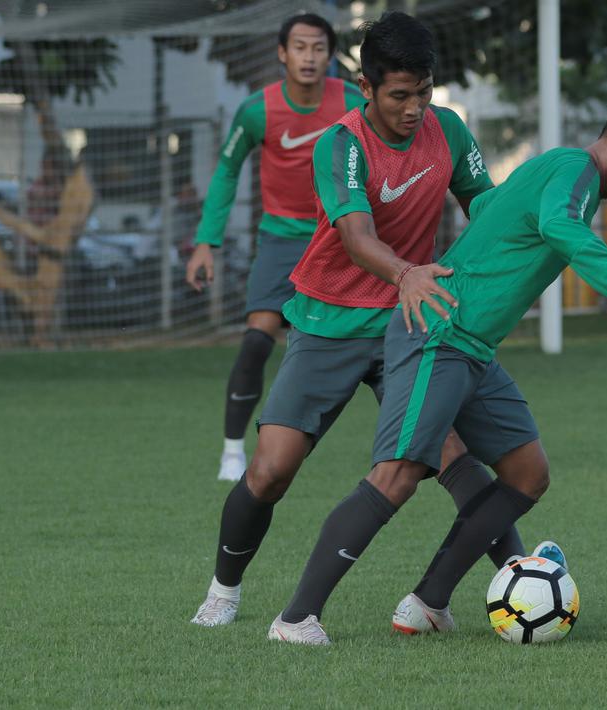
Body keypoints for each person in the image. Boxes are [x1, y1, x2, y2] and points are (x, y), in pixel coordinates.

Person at [268, 88, 607, 645]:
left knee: (528, 473)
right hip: (438, 334)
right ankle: (296, 618)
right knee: (398, 475)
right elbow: (562, 230)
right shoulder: (574, 171)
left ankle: (428, 602)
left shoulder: (567, 174)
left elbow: (504, 214)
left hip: (472, 347)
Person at [190, 10, 528, 631]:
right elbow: (356, 236)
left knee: (451, 454)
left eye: (424, 92)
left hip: (410, 321)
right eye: (400, 95)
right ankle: (223, 591)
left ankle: (523, 582)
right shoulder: (341, 144)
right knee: (269, 471)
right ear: (366, 87)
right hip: (330, 322)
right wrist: (407, 273)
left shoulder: (449, 131)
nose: (414, 108)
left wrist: (526, 229)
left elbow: (484, 206)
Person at [185, 13, 366, 482]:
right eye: (300, 47)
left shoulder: (353, 102)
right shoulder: (256, 110)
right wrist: (206, 241)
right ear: (282, 53)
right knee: (257, 337)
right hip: (281, 239)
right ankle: (231, 452)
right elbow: (227, 172)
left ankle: (410, 449)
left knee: (377, 345)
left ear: (330, 55)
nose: (309, 57)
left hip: (342, 238)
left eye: (318, 48)